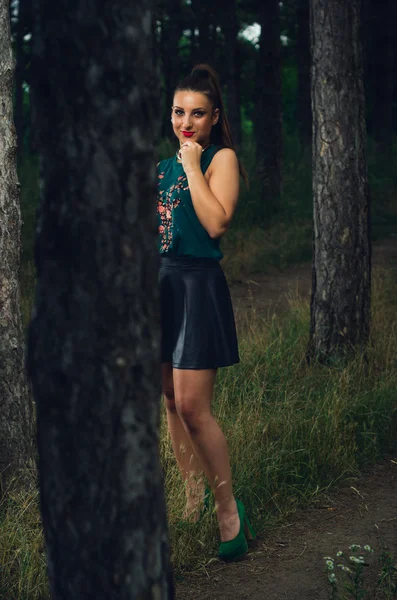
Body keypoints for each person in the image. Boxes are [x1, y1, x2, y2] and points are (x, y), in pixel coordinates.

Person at [157, 64, 255, 562]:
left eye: (197, 113)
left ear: (215, 117)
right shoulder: (161, 167)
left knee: (194, 407)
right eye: (179, 112)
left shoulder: (221, 159)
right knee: (171, 404)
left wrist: (194, 165)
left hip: (198, 285)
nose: (186, 122)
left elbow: (216, 223)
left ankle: (228, 510)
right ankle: (193, 497)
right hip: (161, 287)